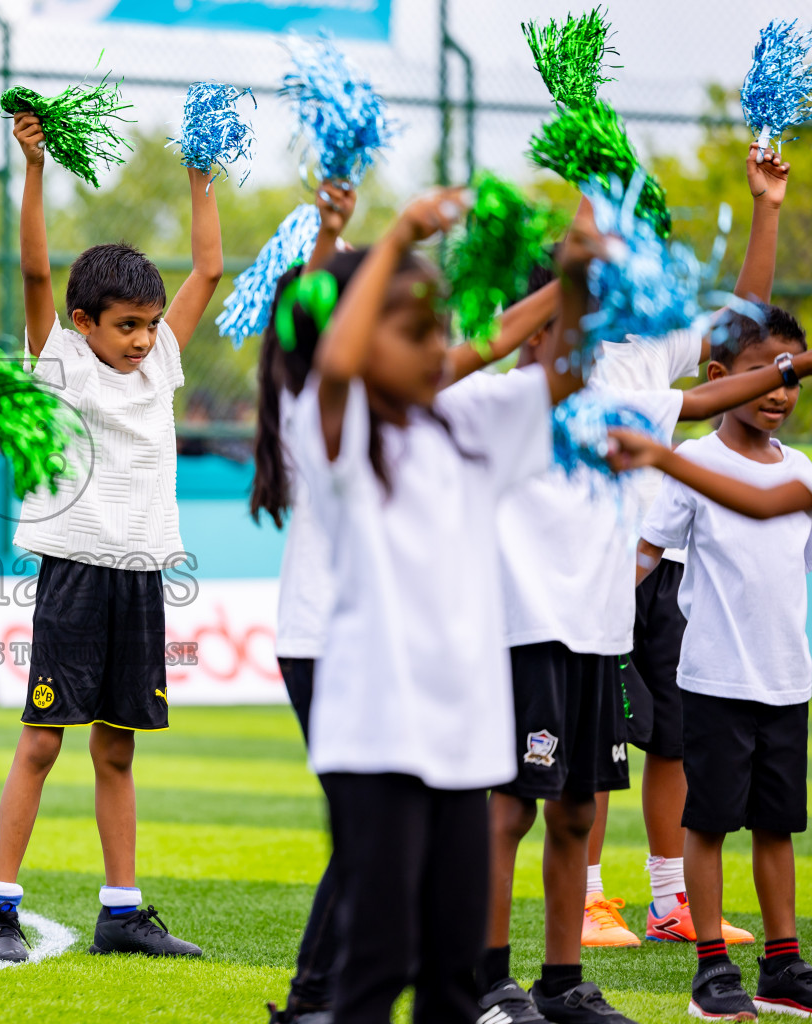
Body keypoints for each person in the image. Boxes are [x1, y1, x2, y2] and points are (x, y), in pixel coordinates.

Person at [249, 181, 558, 1024]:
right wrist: (394, 233)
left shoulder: (458, 430)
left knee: (452, 970)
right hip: (367, 710)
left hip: (462, 735)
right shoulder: (327, 423)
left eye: (437, 327)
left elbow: (515, 358)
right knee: (379, 948)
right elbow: (340, 356)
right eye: (412, 328)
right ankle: (317, 993)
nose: (438, 346)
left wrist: (580, 277)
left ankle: (317, 991)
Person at [0, 101, 225, 964]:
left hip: (140, 575)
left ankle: (122, 913)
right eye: (128, 325)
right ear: (85, 324)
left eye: (152, 323)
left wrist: (199, 174)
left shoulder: (162, 365)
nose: (145, 339)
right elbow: (36, 270)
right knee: (42, 742)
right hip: (75, 571)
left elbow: (212, 270)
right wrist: (35, 170)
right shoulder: (63, 359)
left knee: (117, 752)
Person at [584, 143, 791, 950]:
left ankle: (670, 900)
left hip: (664, 570)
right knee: (600, 746)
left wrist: (766, 207)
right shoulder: (568, 352)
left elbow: (741, 331)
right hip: (595, 572)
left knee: (673, 737)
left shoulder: (653, 349)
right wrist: (597, 190)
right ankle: (593, 898)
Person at [607, 308, 812, 1019]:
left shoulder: (805, 472)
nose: (781, 393)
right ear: (720, 378)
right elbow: (645, 554)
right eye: (767, 374)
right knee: (711, 823)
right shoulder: (693, 461)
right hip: (714, 681)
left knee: (778, 825)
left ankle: (782, 968)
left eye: (793, 379)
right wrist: (600, 626)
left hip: (788, 682)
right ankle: (711, 968)